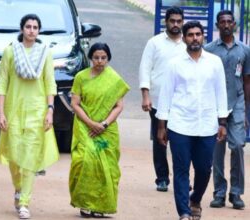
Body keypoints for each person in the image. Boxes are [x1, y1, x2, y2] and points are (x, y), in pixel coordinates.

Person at [156, 21, 228, 220]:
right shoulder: (175, 63)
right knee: (181, 170)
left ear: (203, 36)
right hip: (180, 124)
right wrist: (161, 125)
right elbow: (165, 95)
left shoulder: (214, 62)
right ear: (184, 38)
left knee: (204, 169)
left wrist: (222, 122)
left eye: (198, 34)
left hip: (207, 125)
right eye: (190, 35)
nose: (194, 38)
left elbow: (221, 93)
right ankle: (184, 213)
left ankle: (195, 199)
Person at [0, 14, 59, 219]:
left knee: (30, 158)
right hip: (14, 110)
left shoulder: (45, 53)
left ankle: (24, 201)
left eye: (35, 27)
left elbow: (50, 82)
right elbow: (2, 82)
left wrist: (50, 109)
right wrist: (1, 112)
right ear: (22, 29)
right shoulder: (10, 51)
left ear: (39, 31)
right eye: (28, 26)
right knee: (14, 156)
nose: (31, 30)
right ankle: (18, 187)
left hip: (37, 111)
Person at [69, 42, 130, 217]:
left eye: (103, 58)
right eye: (96, 57)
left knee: (108, 167)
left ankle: (102, 206)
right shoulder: (81, 77)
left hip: (107, 129)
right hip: (84, 126)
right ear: (91, 58)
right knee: (83, 161)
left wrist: (103, 124)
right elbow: (75, 104)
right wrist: (91, 123)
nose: (100, 61)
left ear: (108, 59)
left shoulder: (114, 80)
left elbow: (118, 106)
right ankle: (85, 203)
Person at [205, 10, 250, 210]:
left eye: (229, 22)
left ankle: (236, 192)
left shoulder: (245, 50)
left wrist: (247, 111)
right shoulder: (209, 50)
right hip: (215, 106)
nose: (225, 25)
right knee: (217, 149)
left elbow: (247, 81)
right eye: (222, 22)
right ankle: (219, 192)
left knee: (238, 146)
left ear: (235, 25)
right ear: (217, 25)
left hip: (238, 102)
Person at [138, 6, 186, 192]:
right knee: (160, 140)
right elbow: (145, 68)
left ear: (182, 22)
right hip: (157, 100)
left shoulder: (187, 44)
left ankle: (181, 178)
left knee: (181, 142)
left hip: (181, 102)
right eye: (172, 21)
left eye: (178, 21)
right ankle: (162, 178)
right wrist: (145, 95)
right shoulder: (155, 43)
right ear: (166, 21)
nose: (175, 24)